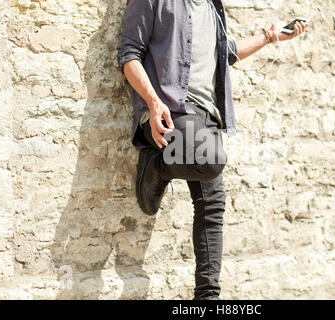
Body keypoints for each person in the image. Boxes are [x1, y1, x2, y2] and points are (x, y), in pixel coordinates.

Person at [117, 0, 309, 300]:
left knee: (212, 206)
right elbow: (129, 54)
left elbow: (225, 53)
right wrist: (154, 105)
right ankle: (155, 160)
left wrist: (271, 36)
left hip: (208, 115)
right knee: (212, 161)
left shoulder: (211, 6)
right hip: (172, 110)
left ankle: (207, 297)